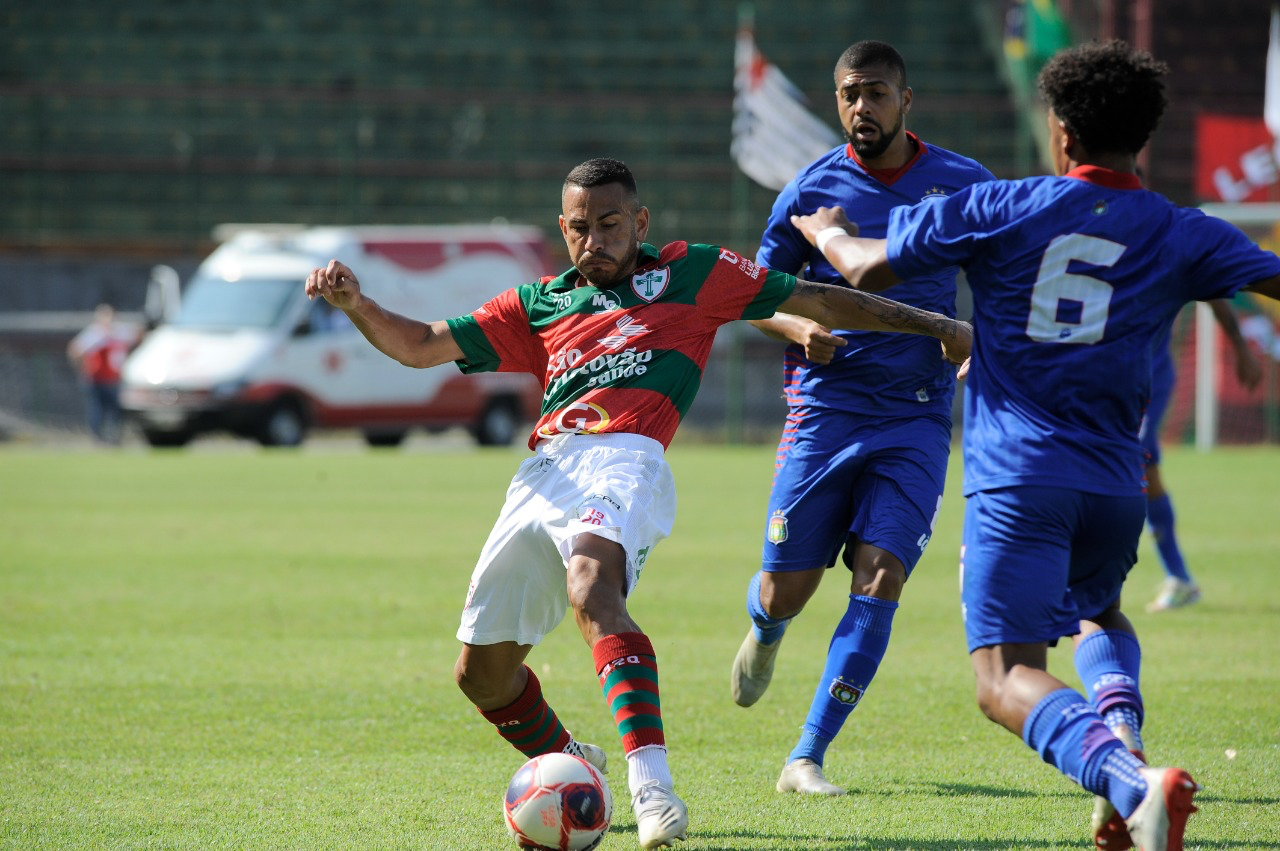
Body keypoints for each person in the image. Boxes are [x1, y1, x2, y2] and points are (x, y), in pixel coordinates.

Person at [304, 158, 971, 850]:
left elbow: (821, 298)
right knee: (483, 674)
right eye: (580, 228)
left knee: (593, 588)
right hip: (542, 473)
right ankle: (572, 760)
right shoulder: (538, 303)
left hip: (627, 458)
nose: (595, 240)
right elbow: (419, 346)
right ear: (564, 229)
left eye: (611, 224)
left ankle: (654, 790)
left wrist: (936, 325)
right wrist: (357, 305)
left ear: (641, 223)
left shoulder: (693, 274)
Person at [788, 41, 1280, 851]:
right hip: (1119, 487)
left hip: (1020, 480)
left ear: (1060, 132)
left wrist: (830, 231)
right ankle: (1122, 736)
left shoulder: (1002, 203)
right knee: (1098, 609)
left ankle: (1131, 784)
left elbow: (865, 269)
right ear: (1144, 138)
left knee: (1000, 677)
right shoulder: (1184, 231)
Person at [729, 40, 995, 796]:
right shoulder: (810, 190)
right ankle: (767, 629)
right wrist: (796, 329)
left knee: (881, 576)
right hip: (826, 411)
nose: (861, 108)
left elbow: (1004, 275)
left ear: (906, 101)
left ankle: (806, 756)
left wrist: (987, 345)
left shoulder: (962, 183)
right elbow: (754, 295)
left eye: (876, 94)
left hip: (916, 419)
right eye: (850, 94)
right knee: (787, 588)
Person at [1142, 300, 1261, 612]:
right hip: (1096, 379)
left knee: (1127, 465)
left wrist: (1241, 348)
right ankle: (1179, 578)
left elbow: (1213, 286)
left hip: (1146, 379)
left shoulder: (1163, 250)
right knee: (1146, 473)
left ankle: (1081, 583)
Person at [66, 304, 138, 444]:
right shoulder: (94, 333)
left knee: (116, 411)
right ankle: (98, 438)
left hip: (114, 380)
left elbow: (137, 336)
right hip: (96, 380)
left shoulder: (120, 332)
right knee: (97, 410)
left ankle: (114, 438)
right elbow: (75, 350)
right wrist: (82, 368)